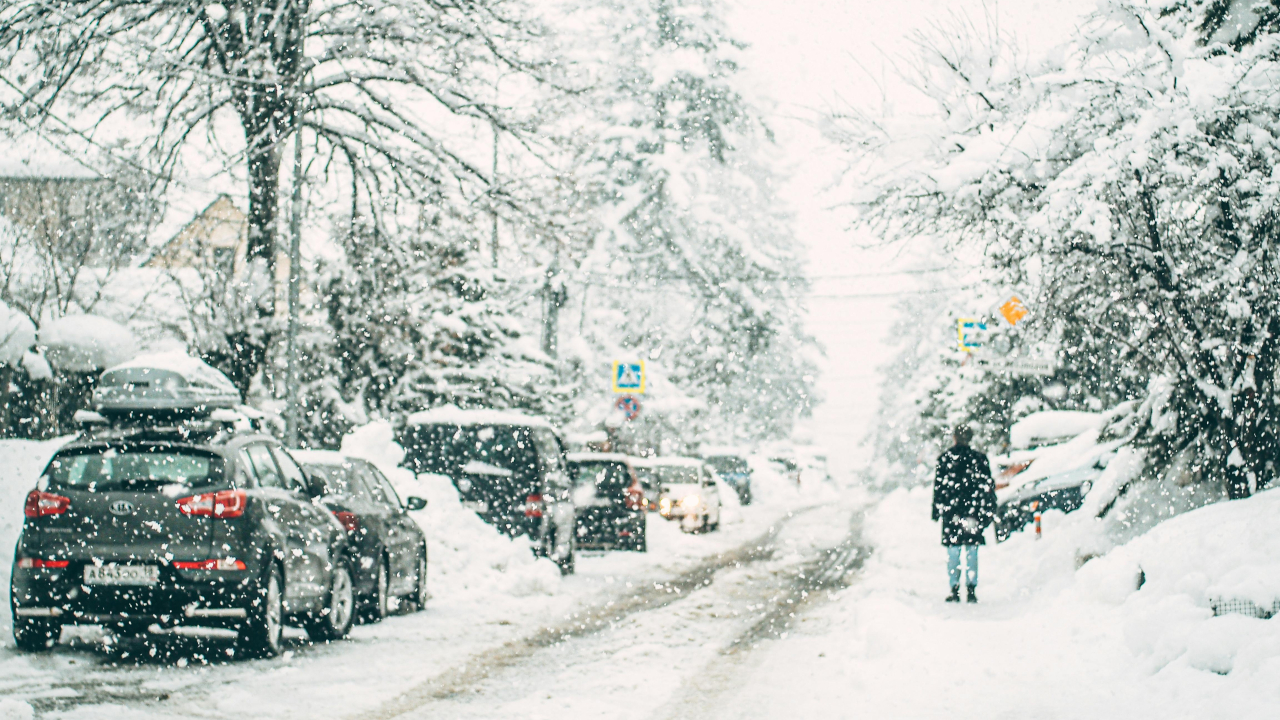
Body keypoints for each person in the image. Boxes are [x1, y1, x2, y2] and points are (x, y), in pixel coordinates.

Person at [932, 424, 996, 603]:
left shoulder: (945, 459)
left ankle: (954, 587)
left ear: (954, 438)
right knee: (971, 549)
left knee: (953, 550)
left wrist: (937, 510)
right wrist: (988, 510)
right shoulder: (980, 459)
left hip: (951, 512)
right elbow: (987, 487)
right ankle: (971, 587)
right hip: (972, 512)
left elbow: (939, 488)